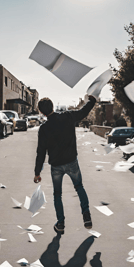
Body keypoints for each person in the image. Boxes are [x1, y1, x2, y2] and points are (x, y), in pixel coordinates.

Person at [34, 95, 97, 235]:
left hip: (56, 166)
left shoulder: (44, 129)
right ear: (53, 106)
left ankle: (61, 223)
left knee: (57, 195)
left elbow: (41, 153)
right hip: (71, 161)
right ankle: (86, 215)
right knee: (79, 187)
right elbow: (83, 112)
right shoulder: (68, 116)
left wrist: (37, 172)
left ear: (42, 112)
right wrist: (91, 101)